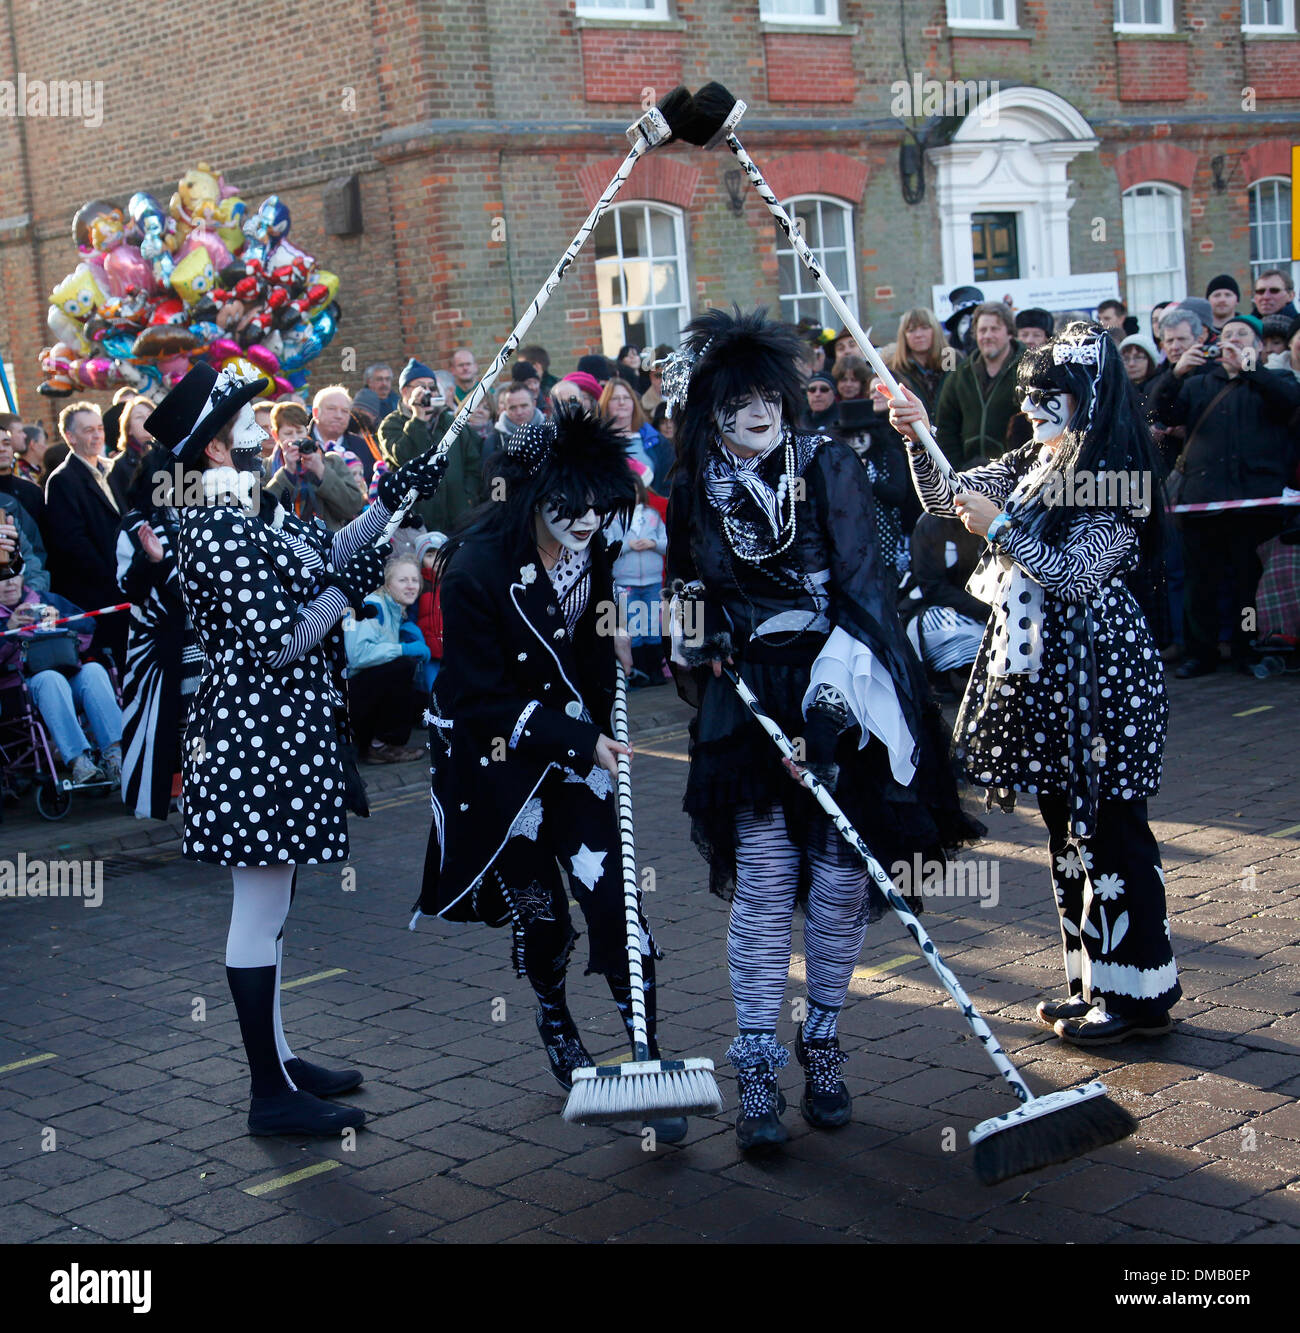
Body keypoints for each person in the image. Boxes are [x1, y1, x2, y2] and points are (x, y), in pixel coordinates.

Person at [664, 308, 980, 1151]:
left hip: (844, 678)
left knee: (841, 880)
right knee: (767, 877)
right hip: (747, 693)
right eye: (737, 402)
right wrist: (700, 637)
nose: (757, 412)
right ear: (713, 410)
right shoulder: (694, 479)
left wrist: (831, 724)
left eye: (769, 394)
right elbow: (684, 586)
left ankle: (824, 1040)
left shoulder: (828, 464)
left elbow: (864, 585)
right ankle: (758, 1059)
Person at [150, 361, 447, 1137]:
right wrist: (348, 587)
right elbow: (282, 641)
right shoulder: (214, 524)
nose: (262, 435)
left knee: (273, 905)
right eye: (246, 426)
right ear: (214, 451)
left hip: (278, 730)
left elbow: (328, 556)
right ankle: (267, 1094)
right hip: (253, 734)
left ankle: (278, 1060)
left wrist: (392, 499)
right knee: (257, 908)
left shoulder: (252, 509)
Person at [887, 321, 1181, 1047]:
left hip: (1103, 680)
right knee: (1068, 832)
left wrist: (1003, 533)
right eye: (1031, 395)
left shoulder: (1117, 474)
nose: (1037, 407)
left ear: (1089, 396)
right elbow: (947, 495)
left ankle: (1139, 993)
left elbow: (1080, 575)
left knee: (1113, 830)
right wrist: (915, 432)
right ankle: (1094, 984)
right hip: (1050, 676)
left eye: (1052, 395)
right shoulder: (1037, 459)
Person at [414, 403, 689, 1140]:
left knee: (616, 905)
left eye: (601, 505)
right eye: (570, 504)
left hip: (577, 754)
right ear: (532, 495)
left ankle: (648, 1055)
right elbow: (475, 698)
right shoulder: (475, 570)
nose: (588, 520)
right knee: (545, 919)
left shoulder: (591, 541)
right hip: (502, 770)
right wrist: (574, 735)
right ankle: (553, 1013)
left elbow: (589, 622)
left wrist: (613, 641)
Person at [1150, 314, 1300, 677]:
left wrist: (1249, 369)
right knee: (1201, 584)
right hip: (1202, 500)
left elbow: (1289, 402)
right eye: (1227, 334)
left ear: (1260, 345)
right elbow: (1159, 412)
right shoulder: (1199, 383)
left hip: (1255, 502)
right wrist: (1175, 374)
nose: (1232, 340)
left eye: (1242, 335)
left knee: (1247, 585)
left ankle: (1246, 648)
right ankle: (1200, 653)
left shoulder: (1274, 378)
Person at [115, 444, 203, 820]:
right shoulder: (135, 524)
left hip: (202, 640)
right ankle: (182, 796)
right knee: (173, 727)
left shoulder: (202, 517)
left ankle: (204, 793)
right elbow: (127, 589)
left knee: (204, 723)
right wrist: (148, 560)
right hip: (160, 647)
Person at [0, 568, 123, 786]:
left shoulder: (46, 600)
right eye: (2, 579)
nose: (9, 584)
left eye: (13, 577)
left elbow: (88, 627)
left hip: (68, 676)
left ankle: (116, 756)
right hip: (21, 690)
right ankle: (79, 761)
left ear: (22, 577)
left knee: (93, 671)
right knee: (49, 679)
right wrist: (9, 630)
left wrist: (62, 621)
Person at [44, 401, 126, 664]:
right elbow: (72, 543)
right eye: (88, 430)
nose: (97, 435)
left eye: (100, 428)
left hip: (126, 584)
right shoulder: (62, 480)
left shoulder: (113, 470)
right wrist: (114, 575)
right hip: (97, 595)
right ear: (70, 437)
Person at [379, 358, 486, 537]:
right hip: (417, 523)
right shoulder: (391, 424)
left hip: (458, 517)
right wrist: (418, 419)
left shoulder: (450, 421)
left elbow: (473, 462)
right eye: (421, 386)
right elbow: (403, 457)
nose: (427, 392)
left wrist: (468, 498)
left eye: (432, 386)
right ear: (405, 391)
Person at [343, 553, 428, 764]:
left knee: (418, 690)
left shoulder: (394, 608)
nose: (411, 586)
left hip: (361, 692)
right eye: (403, 580)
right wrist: (403, 648)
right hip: (346, 694)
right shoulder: (371, 605)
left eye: (414, 580)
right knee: (401, 667)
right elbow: (356, 656)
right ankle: (380, 746)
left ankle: (377, 743)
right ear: (387, 583)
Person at [934, 302, 1024, 465]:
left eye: (994, 329)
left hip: (1016, 474)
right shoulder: (959, 375)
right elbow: (946, 429)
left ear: (1010, 333)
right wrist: (957, 471)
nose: (987, 335)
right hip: (969, 476)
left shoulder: (1027, 370)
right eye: (982, 330)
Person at [607, 471, 668, 687]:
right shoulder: (613, 517)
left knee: (652, 624)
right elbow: (608, 546)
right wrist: (626, 546)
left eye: (632, 490)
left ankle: (656, 670)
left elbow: (665, 541)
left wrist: (652, 543)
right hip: (626, 581)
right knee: (633, 625)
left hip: (651, 580)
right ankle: (637, 671)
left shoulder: (652, 515)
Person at [265, 402, 365, 533]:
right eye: (288, 433)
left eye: (300, 432)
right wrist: (287, 472)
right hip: (282, 543)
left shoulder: (332, 462)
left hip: (326, 541)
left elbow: (353, 506)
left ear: (307, 431)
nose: (295, 439)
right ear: (276, 435)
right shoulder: (263, 468)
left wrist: (321, 471)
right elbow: (261, 511)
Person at [598, 374, 670, 486]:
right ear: (606, 404)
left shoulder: (654, 439)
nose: (621, 402)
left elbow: (668, 481)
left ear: (633, 403)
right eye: (615, 398)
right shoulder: (596, 442)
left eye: (626, 398)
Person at [888, 308, 952, 419]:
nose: (918, 335)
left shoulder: (953, 361)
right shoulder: (895, 370)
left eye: (924, 328)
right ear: (904, 335)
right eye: (911, 330)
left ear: (935, 330)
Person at [106, 395, 156, 511]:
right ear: (129, 429)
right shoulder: (119, 466)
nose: (146, 420)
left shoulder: (168, 457)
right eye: (139, 417)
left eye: (149, 415)